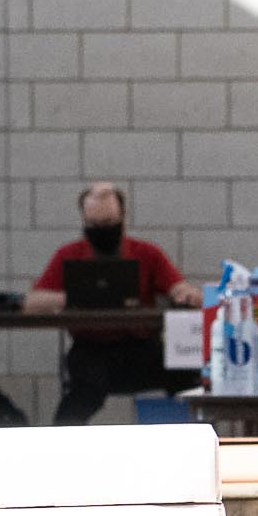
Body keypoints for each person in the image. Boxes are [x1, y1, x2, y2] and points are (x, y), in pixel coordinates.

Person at [31, 181, 201, 426]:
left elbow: (177, 287)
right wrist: (78, 295)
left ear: (123, 218)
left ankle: (201, 442)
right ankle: (60, 450)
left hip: (142, 348)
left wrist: (186, 293)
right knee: (81, 395)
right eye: (95, 225)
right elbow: (34, 302)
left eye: (109, 224)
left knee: (188, 378)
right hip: (91, 350)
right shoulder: (69, 255)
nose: (103, 230)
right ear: (84, 221)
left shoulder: (147, 253)